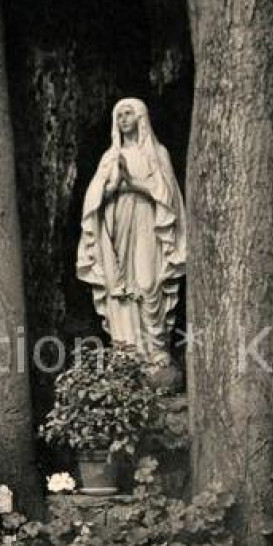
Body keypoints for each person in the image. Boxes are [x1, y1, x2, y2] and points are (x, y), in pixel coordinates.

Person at [76, 98, 186, 366]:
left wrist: (133, 183)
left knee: (148, 283)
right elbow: (93, 199)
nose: (123, 119)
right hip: (116, 223)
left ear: (140, 118)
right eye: (119, 115)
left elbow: (168, 196)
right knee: (119, 286)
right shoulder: (109, 157)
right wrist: (112, 188)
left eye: (128, 114)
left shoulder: (157, 154)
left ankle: (157, 351)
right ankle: (127, 353)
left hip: (148, 221)